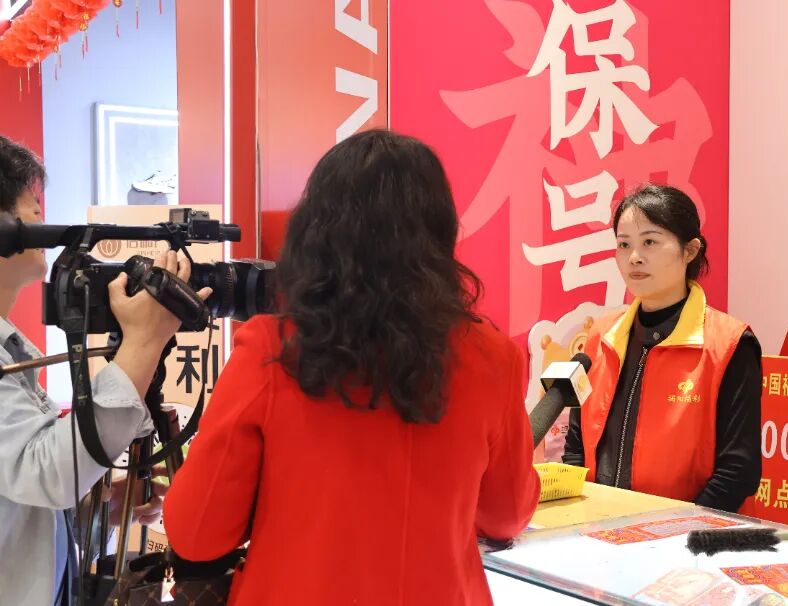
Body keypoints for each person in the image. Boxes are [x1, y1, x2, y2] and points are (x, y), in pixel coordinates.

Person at [164, 129, 540, 605]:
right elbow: (507, 514)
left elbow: (197, 532)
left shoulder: (271, 350)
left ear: (314, 231)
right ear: (439, 231)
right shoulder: (492, 356)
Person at [0, 135, 210, 605]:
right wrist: (143, 341)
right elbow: (46, 473)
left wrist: (100, 514)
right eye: (33, 208)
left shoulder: (12, 351)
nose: (43, 221)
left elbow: (19, 502)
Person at [563, 184, 762, 512]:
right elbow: (576, 446)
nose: (634, 257)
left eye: (650, 242)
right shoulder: (601, 335)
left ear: (690, 250)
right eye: (624, 244)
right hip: (597, 530)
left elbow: (738, 472)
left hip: (690, 537)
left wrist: (680, 532)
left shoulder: (730, 344)